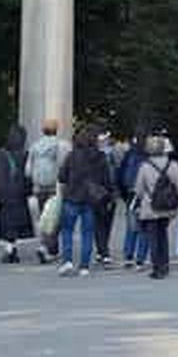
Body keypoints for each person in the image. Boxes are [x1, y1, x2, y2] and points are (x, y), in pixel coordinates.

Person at [57, 125, 110, 278]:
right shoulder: (100, 157)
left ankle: (67, 261)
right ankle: (84, 266)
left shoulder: (71, 156)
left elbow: (62, 177)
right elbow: (106, 179)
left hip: (72, 197)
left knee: (67, 230)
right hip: (91, 200)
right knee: (87, 233)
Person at [0, 123, 34, 263]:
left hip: (4, 194)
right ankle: (12, 249)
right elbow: (29, 175)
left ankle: (10, 250)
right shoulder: (25, 155)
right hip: (20, 194)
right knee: (16, 223)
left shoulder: (1, 154)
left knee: (6, 223)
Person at [134, 132, 178, 278]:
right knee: (163, 235)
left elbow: (139, 189)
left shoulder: (144, 166)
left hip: (150, 206)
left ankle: (157, 268)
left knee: (153, 238)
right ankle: (165, 265)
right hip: (167, 206)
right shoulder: (173, 165)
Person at [25, 117, 70, 264]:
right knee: (54, 219)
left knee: (43, 219)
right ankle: (47, 248)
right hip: (55, 188)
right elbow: (64, 167)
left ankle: (47, 247)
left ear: (42, 130)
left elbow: (27, 170)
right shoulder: (62, 145)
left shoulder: (34, 146)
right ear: (56, 130)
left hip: (38, 188)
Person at [118, 131, 149, 268]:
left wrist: (123, 194)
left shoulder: (129, 154)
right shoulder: (149, 155)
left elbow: (120, 175)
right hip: (146, 194)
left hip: (131, 193)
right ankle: (141, 259)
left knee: (131, 226)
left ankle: (128, 256)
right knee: (145, 227)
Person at [94, 129, 119, 267]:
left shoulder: (92, 155)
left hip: (96, 193)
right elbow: (117, 173)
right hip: (109, 192)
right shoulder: (112, 155)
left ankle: (101, 250)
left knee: (98, 223)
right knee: (106, 223)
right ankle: (104, 251)